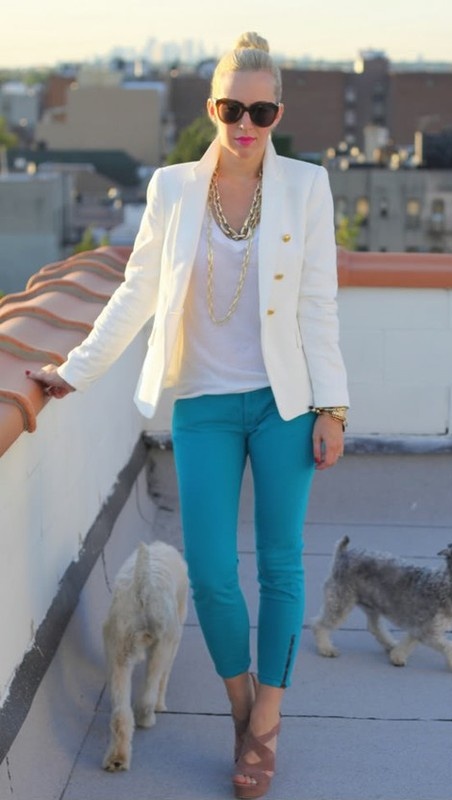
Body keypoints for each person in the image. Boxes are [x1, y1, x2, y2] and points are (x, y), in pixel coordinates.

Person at [27, 31, 349, 800]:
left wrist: (332, 406)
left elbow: (317, 305)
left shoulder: (306, 187)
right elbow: (136, 291)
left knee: (279, 565)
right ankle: (239, 707)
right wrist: (74, 370)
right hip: (203, 402)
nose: (246, 124)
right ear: (211, 108)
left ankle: (265, 721)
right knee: (208, 573)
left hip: (284, 404)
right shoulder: (172, 189)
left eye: (261, 111)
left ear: (277, 114)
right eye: (232, 108)